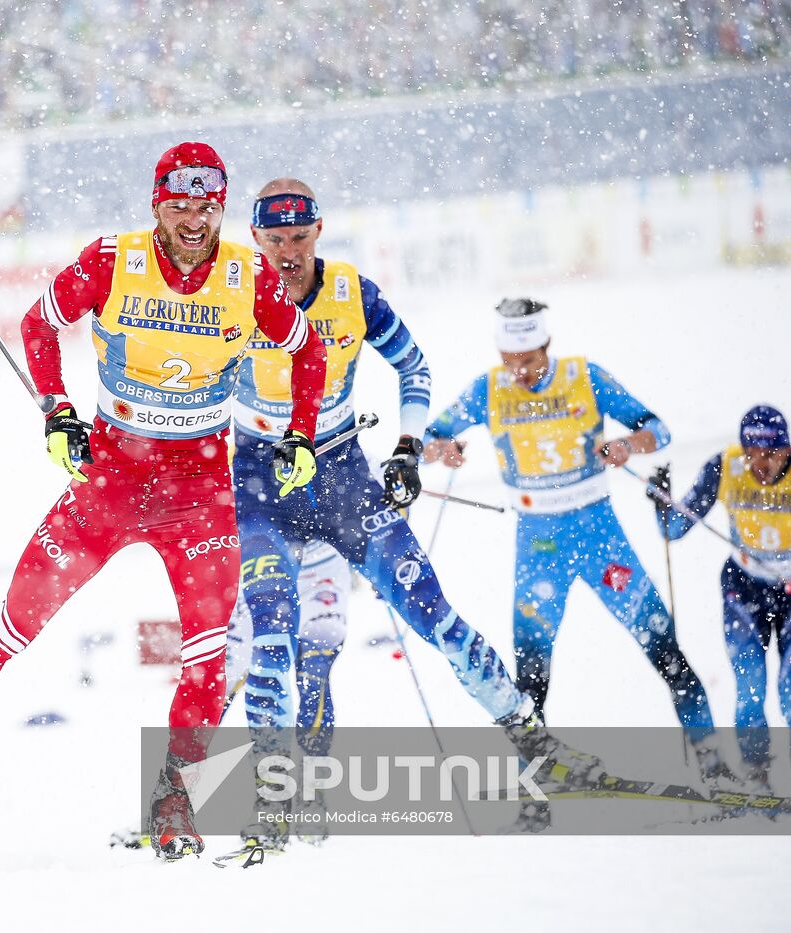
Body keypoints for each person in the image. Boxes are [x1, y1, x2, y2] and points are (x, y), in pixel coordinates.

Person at [0, 143, 331, 861]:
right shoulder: (112, 260)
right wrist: (57, 412)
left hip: (198, 495)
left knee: (205, 658)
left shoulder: (246, 274)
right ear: (156, 204)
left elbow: (308, 351)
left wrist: (302, 436)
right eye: (180, 206)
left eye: (207, 208)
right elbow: (39, 325)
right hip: (111, 482)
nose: (194, 222)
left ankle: (174, 797)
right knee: (12, 624)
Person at [228, 180, 602, 843]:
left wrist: (406, 446)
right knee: (272, 635)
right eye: (274, 240)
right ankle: (273, 799)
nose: (287, 253)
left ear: (319, 230)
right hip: (263, 481)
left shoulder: (350, 293)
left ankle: (536, 742)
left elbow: (414, 367)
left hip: (342, 473)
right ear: (255, 237)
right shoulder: (227, 293)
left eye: (299, 237)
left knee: (434, 611)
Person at [422, 297, 734, 785]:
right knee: (530, 675)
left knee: (663, 647)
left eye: (527, 360)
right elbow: (427, 439)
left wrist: (627, 445)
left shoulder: (584, 377)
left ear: (547, 345)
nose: (518, 372)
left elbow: (658, 429)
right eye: (509, 361)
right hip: (538, 546)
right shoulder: (488, 389)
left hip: (599, 534)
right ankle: (535, 790)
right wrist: (445, 449)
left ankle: (717, 771)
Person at [649, 404, 791, 792]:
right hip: (744, 588)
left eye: (772, 453)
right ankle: (756, 774)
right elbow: (676, 528)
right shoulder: (724, 467)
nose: (761, 463)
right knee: (750, 685)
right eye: (753, 453)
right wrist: (663, 503)